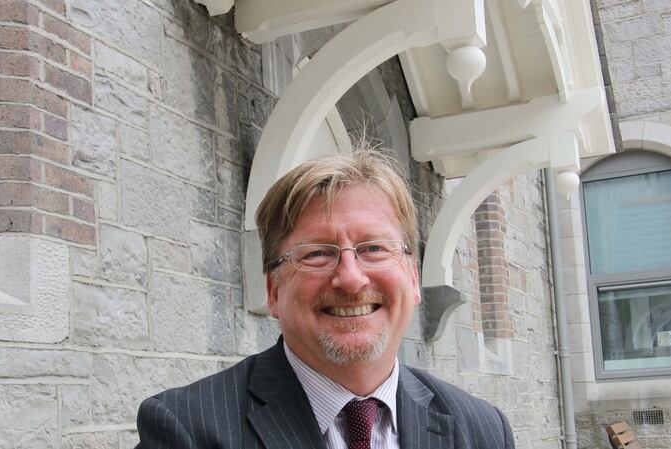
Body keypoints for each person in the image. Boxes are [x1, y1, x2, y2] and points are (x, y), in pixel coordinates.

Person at [135, 149, 515, 449]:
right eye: (317, 253)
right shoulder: (186, 430)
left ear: (413, 278)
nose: (350, 278)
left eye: (374, 248)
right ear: (273, 290)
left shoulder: (482, 430)